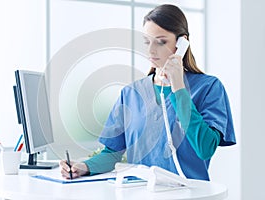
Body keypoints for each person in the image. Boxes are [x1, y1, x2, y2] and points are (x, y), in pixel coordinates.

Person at [60, 4, 236, 181]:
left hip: (190, 194)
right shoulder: (130, 94)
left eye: (161, 42)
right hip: (140, 193)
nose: (151, 50)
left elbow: (205, 148)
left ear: (182, 42)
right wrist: (84, 167)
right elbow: (112, 154)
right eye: (146, 42)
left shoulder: (209, 88)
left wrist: (179, 89)